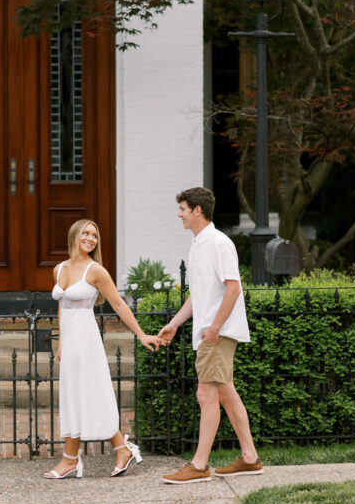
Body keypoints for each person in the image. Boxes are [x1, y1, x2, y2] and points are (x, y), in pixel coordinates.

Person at [157, 187, 263, 483]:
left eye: (182, 209)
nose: (179, 214)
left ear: (197, 211)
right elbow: (198, 295)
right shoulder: (198, 245)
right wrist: (175, 323)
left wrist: (215, 327)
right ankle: (250, 458)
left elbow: (233, 287)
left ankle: (199, 465)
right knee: (226, 394)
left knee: (206, 394)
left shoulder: (219, 243)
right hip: (210, 333)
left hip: (218, 333)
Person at [45, 219, 160, 480]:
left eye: (94, 235)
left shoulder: (96, 271)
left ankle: (83, 457)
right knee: (72, 395)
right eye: (85, 233)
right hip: (70, 341)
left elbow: (118, 304)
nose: (90, 238)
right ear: (74, 235)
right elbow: (62, 307)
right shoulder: (59, 269)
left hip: (86, 338)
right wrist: (60, 343)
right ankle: (96, 454)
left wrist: (140, 334)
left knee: (92, 392)